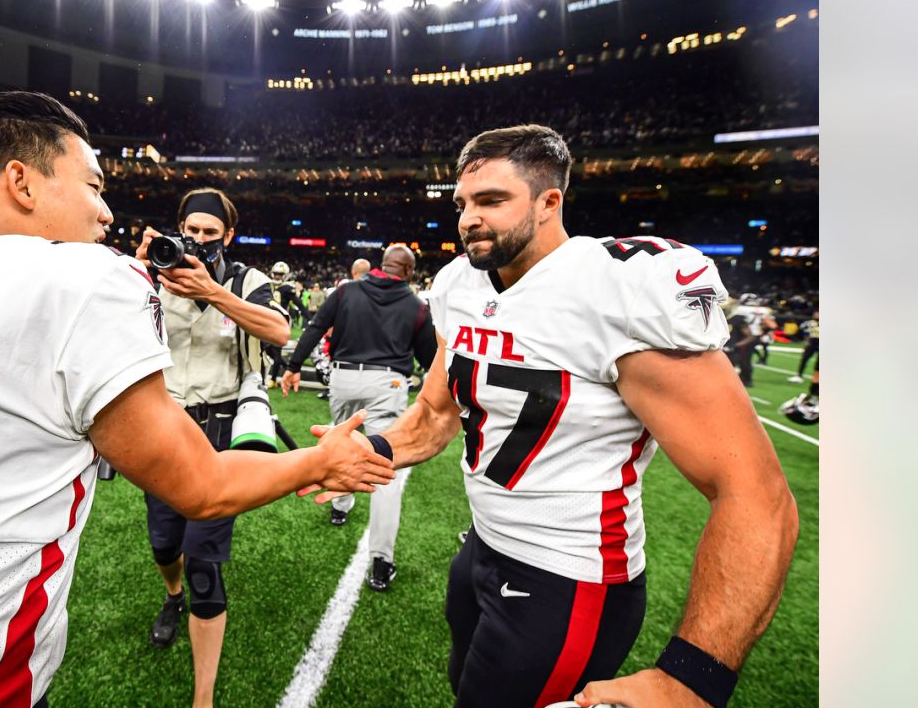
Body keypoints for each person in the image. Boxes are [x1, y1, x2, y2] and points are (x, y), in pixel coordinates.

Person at [0, 92, 393, 708]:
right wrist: (320, 462)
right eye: (93, 186)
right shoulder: (84, 280)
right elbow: (203, 485)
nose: (105, 213)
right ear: (20, 181)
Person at [305, 125, 798, 708]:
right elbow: (436, 412)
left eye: (492, 201)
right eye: (463, 203)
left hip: (570, 581)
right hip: (482, 550)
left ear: (549, 202)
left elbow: (756, 495)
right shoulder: (459, 283)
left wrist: (695, 677)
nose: (468, 219)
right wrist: (375, 451)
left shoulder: (616, 288)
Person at [133, 188, 291, 708]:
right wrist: (134, 277)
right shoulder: (154, 272)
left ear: (227, 233)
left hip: (222, 429)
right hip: (164, 427)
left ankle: (203, 699)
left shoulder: (247, 280)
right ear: (178, 228)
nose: (198, 241)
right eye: (191, 230)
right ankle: (171, 596)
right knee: (164, 545)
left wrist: (214, 292)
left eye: (209, 232)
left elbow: (279, 331)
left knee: (203, 559)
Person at [280, 244, 436, 591]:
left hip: (344, 378)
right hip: (388, 382)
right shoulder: (416, 305)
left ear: (381, 265)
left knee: (338, 445)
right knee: (385, 468)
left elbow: (316, 327)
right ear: (409, 272)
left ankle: (340, 505)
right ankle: (381, 561)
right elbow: (430, 359)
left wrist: (293, 366)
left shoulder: (347, 290)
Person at [725, 299, 757, 387]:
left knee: (743, 365)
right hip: (720, 350)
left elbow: (750, 336)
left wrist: (735, 345)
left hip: (734, 351)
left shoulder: (738, 318)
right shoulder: (716, 318)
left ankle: (747, 380)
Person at [790, 310, 819, 382]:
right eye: (816, 313)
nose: (817, 315)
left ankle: (818, 378)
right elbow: (803, 330)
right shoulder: (809, 323)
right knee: (804, 359)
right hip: (812, 343)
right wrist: (806, 341)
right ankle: (799, 375)